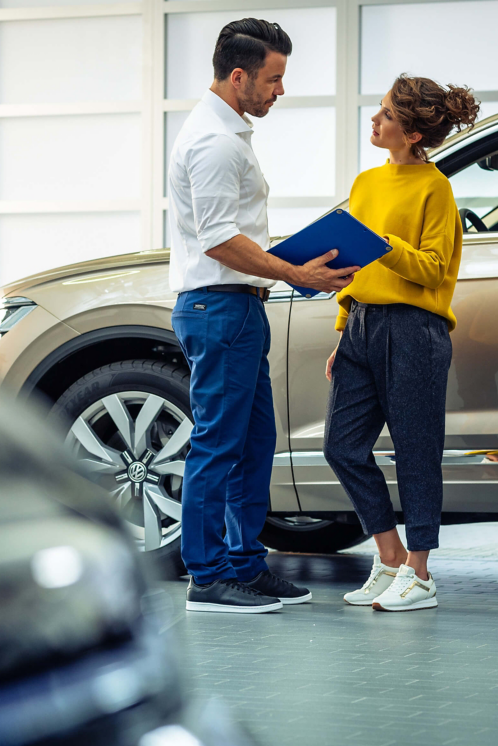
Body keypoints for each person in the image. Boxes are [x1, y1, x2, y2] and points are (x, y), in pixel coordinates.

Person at [168, 19, 359, 614]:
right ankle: (207, 575)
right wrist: (299, 274)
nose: (280, 90)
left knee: (254, 442)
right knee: (218, 443)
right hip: (219, 306)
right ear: (238, 75)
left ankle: (245, 565)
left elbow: (231, 236)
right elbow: (219, 240)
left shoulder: (230, 133)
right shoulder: (215, 142)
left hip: (239, 308)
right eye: (274, 79)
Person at [323, 75, 480, 611]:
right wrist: (344, 328)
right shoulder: (366, 183)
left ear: (412, 133)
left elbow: (434, 270)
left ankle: (421, 573)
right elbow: (351, 265)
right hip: (362, 325)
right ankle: (388, 554)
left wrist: (385, 247)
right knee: (341, 446)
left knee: (415, 452)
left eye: (387, 114)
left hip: (415, 330)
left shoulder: (436, 189)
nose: (376, 119)